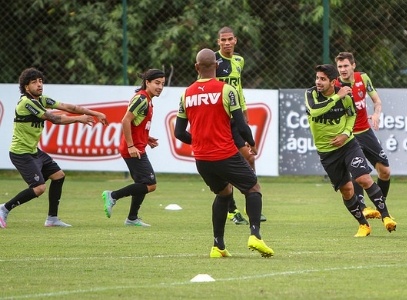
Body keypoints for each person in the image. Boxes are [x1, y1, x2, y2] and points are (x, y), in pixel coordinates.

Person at [174, 48, 274, 258]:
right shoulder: (227, 90)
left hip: (202, 159)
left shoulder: (186, 94)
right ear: (217, 66)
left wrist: (200, 141)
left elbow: (179, 132)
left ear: (196, 67)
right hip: (225, 154)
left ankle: (217, 246)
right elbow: (241, 125)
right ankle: (255, 235)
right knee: (253, 187)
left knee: (223, 193)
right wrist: (251, 142)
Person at [0, 67, 108, 229]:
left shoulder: (41, 100)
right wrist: (79, 119)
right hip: (20, 153)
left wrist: (96, 113)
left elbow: (68, 107)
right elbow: (54, 119)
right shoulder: (26, 103)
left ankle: (52, 219)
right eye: (34, 82)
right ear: (26, 87)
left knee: (58, 176)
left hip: (33, 151)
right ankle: (4, 208)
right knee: (39, 188)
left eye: (41, 81)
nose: (39, 84)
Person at [305, 64, 397, 237]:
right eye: (317, 78)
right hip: (326, 152)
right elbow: (315, 112)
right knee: (347, 190)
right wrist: (335, 98)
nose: (318, 82)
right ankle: (364, 225)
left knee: (364, 178)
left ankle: (386, 217)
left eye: (323, 79)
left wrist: (346, 134)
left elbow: (351, 115)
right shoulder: (311, 94)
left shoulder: (346, 95)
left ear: (333, 82)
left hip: (348, 145)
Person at [214, 26, 266, 225]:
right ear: (218, 42)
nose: (226, 43)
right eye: (223, 40)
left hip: (236, 119)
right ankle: (232, 209)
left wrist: (244, 112)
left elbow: (238, 88)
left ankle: (250, 202)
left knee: (249, 159)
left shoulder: (239, 61)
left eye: (229, 39)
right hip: (220, 121)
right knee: (226, 163)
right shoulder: (214, 61)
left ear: (235, 40)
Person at [101, 69, 165, 227]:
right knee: (150, 185)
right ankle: (112, 195)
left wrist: (146, 137)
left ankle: (132, 218)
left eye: (163, 84)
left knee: (141, 183)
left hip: (138, 146)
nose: (160, 87)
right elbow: (125, 121)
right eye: (157, 83)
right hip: (132, 148)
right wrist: (131, 145)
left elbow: (137, 123)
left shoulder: (148, 100)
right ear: (147, 82)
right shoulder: (142, 99)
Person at [334, 52, 391, 220]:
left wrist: (376, 114)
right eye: (340, 67)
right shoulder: (335, 86)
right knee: (358, 172)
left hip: (365, 131)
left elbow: (377, 101)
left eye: (345, 66)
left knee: (385, 171)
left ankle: (380, 206)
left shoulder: (363, 79)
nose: (343, 69)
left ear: (353, 65)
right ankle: (363, 208)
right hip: (349, 135)